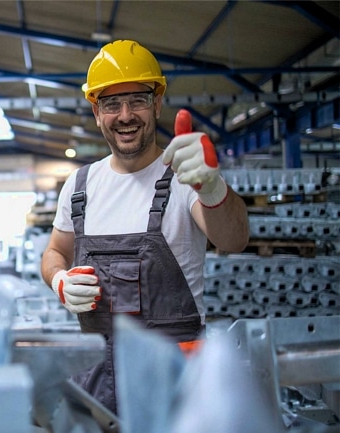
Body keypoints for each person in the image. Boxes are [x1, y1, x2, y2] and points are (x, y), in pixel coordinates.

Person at [40, 39, 249, 415]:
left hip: (175, 382)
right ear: (96, 111)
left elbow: (234, 240)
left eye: (137, 100)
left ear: (156, 102)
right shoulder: (80, 185)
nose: (125, 115)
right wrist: (59, 280)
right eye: (111, 104)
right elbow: (55, 252)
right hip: (95, 383)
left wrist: (213, 188)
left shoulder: (185, 176)